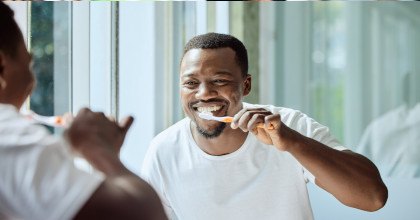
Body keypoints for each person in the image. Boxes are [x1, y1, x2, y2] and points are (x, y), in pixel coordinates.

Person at [141, 32, 388, 220]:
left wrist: (292, 142)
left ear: (245, 85)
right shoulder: (163, 151)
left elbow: (372, 197)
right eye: (191, 83)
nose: (204, 94)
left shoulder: (288, 126)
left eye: (219, 81)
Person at [0, 2, 167, 220]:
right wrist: (97, 149)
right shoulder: (8, 134)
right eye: (28, 65)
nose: (32, 81)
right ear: (2, 65)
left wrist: (66, 148)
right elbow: (140, 214)